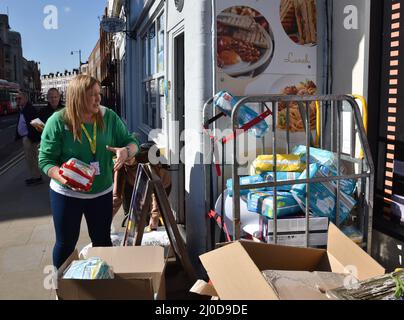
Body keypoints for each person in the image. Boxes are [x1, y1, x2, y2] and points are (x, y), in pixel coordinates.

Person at [38, 75, 140, 269]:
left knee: (102, 240)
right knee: (66, 243)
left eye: (99, 94)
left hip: (101, 193)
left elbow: (132, 142)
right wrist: (63, 176)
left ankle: (103, 285)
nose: (98, 99)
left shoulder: (108, 116)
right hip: (67, 194)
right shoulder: (57, 121)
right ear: (77, 96)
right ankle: (63, 289)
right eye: (92, 95)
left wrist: (126, 151)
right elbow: (45, 161)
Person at [112, 142, 171, 231]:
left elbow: (156, 193)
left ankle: (153, 222)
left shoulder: (147, 161)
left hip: (161, 184)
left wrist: (154, 217)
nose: (127, 160)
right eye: (125, 159)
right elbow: (117, 196)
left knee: (152, 217)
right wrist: (106, 220)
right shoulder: (120, 163)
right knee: (135, 216)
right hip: (135, 183)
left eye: (129, 157)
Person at [15, 91, 43, 186]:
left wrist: (33, 138)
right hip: (26, 138)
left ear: (25, 99)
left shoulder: (30, 109)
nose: (17, 100)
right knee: (29, 159)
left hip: (30, 139)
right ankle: (34, 176)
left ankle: (37, 177)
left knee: (32, 158)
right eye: (16, 99)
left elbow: (39, 126)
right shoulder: (22, 108)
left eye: (19, 98)